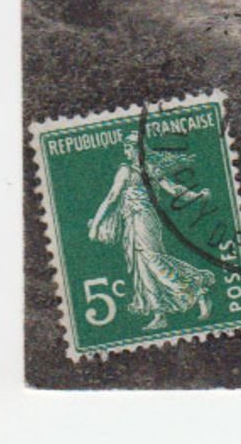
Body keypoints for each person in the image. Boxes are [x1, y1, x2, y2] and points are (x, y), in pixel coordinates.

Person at [87, 133, 214, 331]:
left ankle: (197, 289)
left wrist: (95, 225)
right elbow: (174, 189)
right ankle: (159, 314)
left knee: (153, 262)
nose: (126, 151)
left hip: (143, 219)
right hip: (135, 220)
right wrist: (196, 196)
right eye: (125, 147)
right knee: (143, 267)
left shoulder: (129, 171)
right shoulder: (147, 169)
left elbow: (112, 197)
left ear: (137, 148)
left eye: (128, 147)